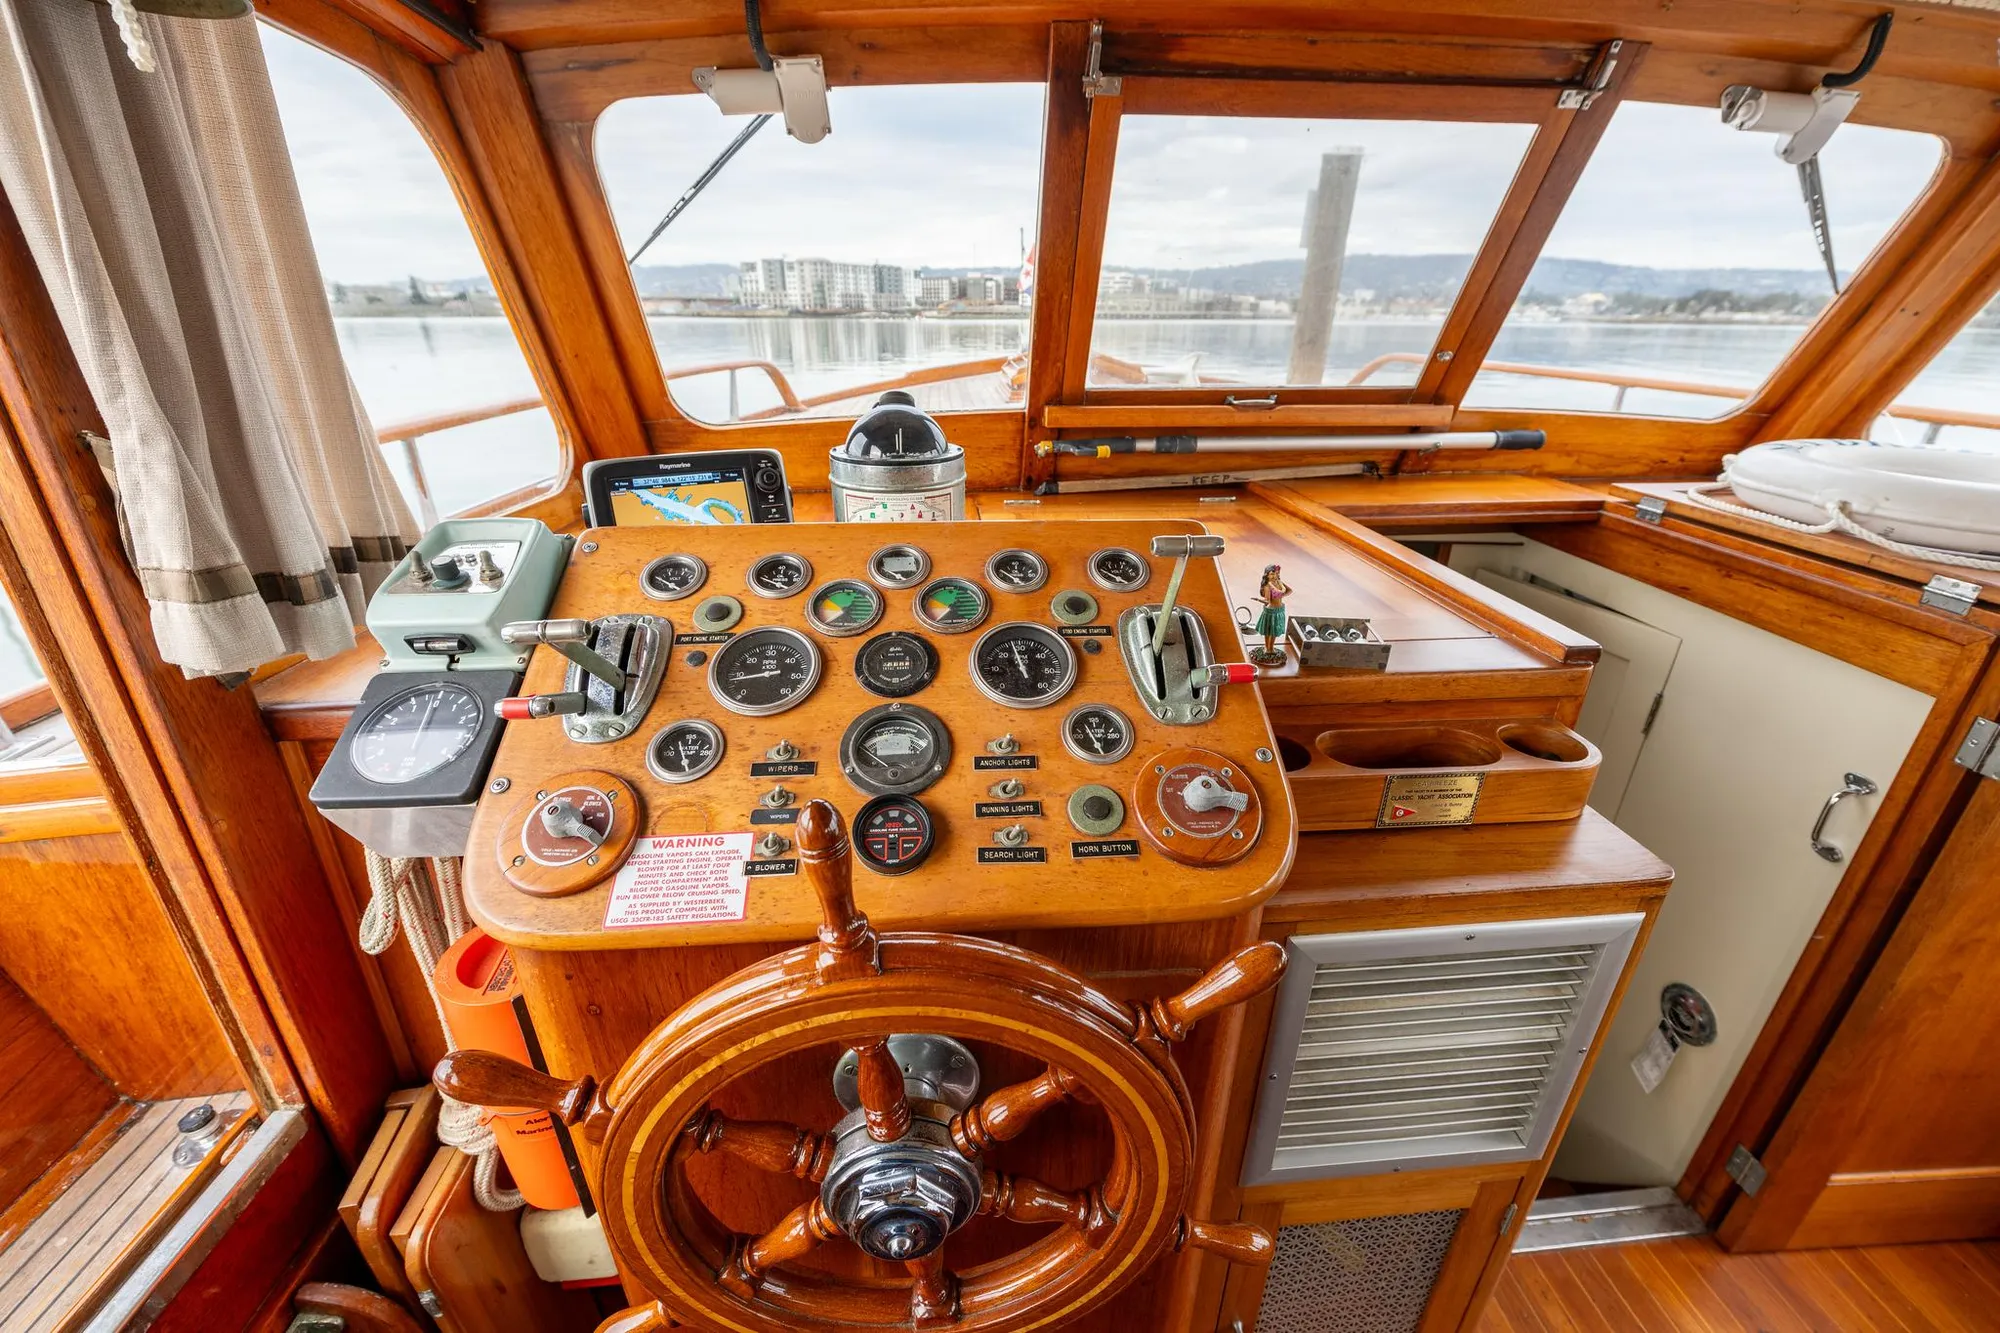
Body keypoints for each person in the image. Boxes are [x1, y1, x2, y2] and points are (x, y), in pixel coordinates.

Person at [1249, 564, 1291, 665]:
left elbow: (1289, 591)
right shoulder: (1268, 586)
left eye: (1276, 573)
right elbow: (1268, 601)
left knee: (1275, 631)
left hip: (1279, 610)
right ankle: (1267, 648)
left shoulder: (1279, 583)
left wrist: (1281, 594)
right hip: (1271, 612)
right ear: (1267, 575)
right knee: (1269, 630)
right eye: (1272, 574)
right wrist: (1259, 599)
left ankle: (1271, 648)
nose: (1274, 576)